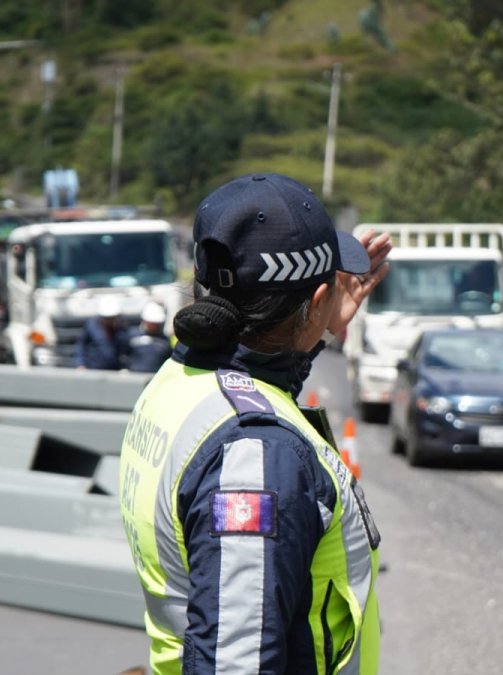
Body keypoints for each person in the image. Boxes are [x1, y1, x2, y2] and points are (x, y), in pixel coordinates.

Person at [118, 173, 391, 674]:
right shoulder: (255, 456)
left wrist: (320, 328)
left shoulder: (178, 379)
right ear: (311, 303)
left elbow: (252, 383)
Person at [77, 296, 131, 370]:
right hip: (94, 368)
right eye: (106, 318)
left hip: (114, 368)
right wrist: (81, 363)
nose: (109, 320)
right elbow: (81, 345)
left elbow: (126, 347)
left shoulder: (122, 328)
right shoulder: (91, 325)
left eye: (112, 318)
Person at [125, 302, 172, 373]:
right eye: (152, 323)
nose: (154, 326)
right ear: (144, 321)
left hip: (155, 377)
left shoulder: (165, 340)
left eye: (157, 324)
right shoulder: (131, 335)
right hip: (133, 377)